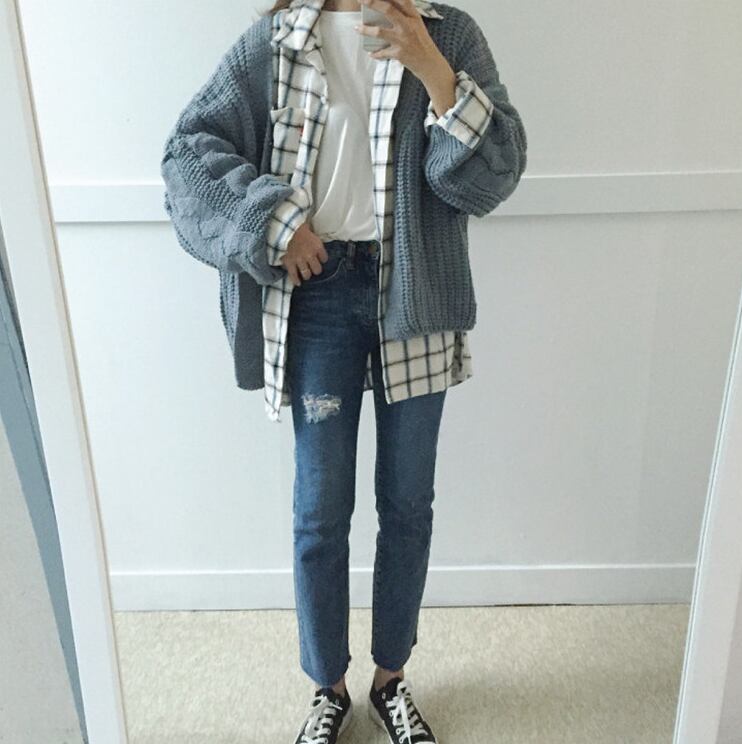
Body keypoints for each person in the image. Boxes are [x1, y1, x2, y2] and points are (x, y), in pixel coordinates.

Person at [160, 0, 526, 740]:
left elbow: (490, 178)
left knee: (408, 502)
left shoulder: (447, 34)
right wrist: (276, 222)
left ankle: (391, 680)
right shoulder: (277, 40)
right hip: (318, 294)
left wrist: (432, 67)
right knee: (320, 509)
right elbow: (186, 155)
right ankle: (328, 688)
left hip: (415, 291)